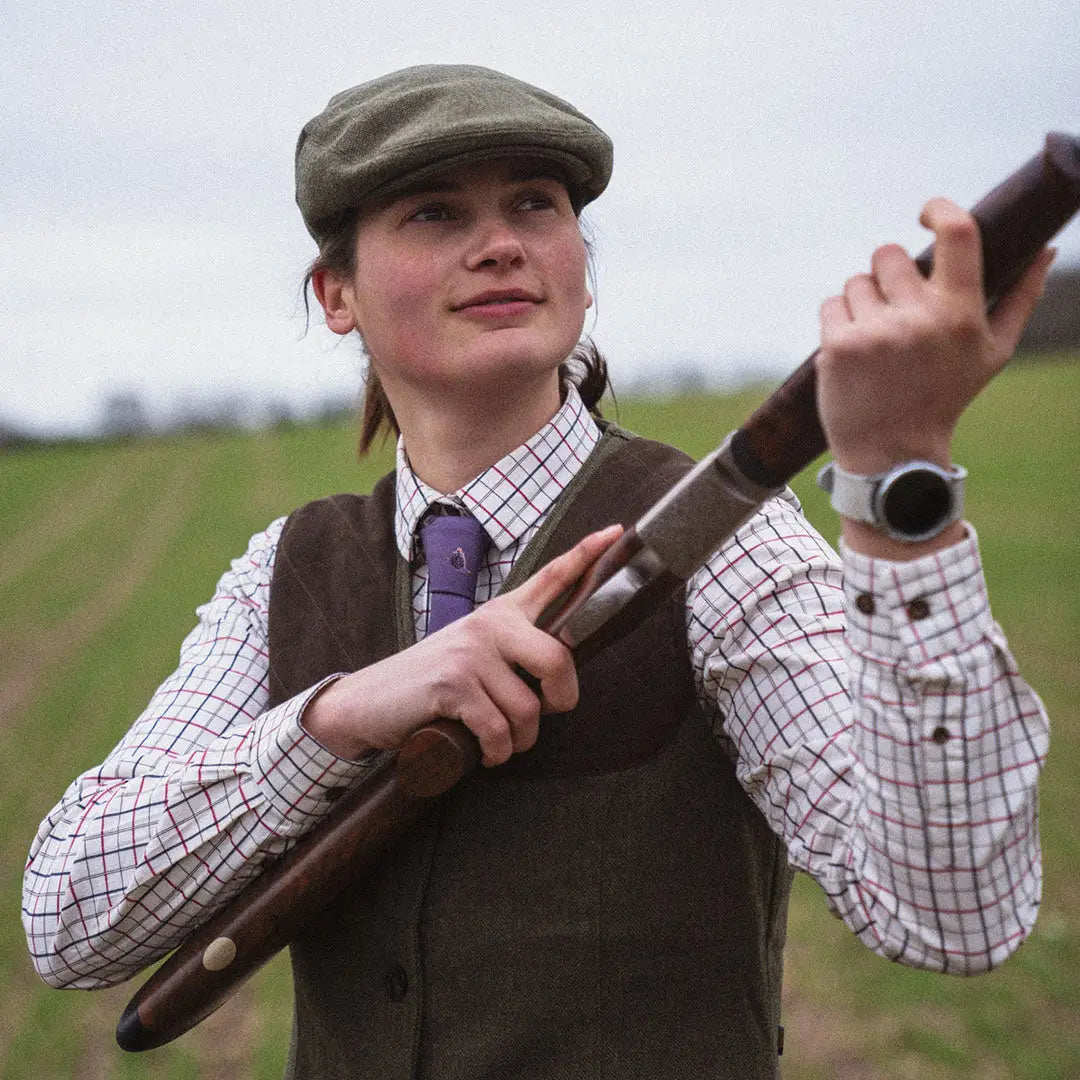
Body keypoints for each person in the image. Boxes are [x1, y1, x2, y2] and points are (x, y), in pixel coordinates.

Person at [23, 64, 1051, 1079]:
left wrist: (898, 481)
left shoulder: (732, 543)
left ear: (581, 268)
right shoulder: (283, 571)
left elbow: (950, 918)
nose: (503, 243)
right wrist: (336, 720)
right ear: (336, 295)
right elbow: (69, 922)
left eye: (535, 203)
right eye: (434, 213)